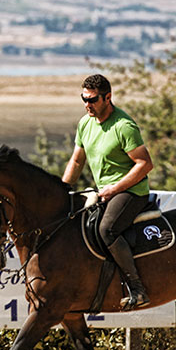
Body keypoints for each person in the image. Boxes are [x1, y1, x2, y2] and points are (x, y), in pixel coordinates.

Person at [62, 74, 154, 310]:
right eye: (83, 99)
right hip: (104, 191)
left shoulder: (124, 126)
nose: (87, 104)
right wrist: (62, 190)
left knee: (107, 229)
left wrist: (115, 188)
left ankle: (137, 289)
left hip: (130, 191)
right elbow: (76, 161)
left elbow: (144, 164)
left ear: (108, 97)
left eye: (92, 100)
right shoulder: (85, 124)